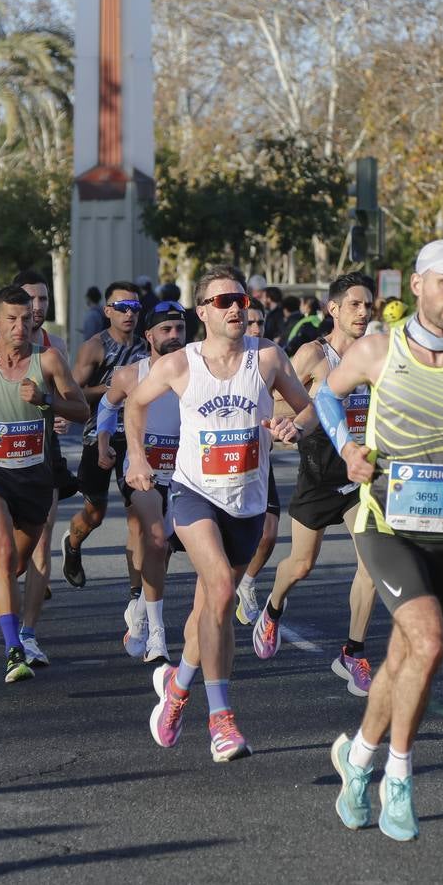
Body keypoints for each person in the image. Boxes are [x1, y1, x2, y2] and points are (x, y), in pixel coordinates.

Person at [320, 238, 443, 841]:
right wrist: (347, 447)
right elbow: (327, 392)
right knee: (429, 644)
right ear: (417, 285)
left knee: (408, 657)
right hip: (384, 524)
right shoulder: (379, 350)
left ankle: (357, 759)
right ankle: (398, 778)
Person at [127, 264, 308, 763]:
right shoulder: (179, 365)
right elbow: (134, 405)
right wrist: (137, 457)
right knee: (224, 592)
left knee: (210, 611)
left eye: (241, 300)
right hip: (194, 495)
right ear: (203, 311)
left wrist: (295, 427)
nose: (235, 308)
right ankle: (221, 721)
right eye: (224, 301)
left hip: (246, 502)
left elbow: (308, 408)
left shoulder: (267, 358)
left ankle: (177, 687)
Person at [0, 285, 89, 683]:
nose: (20, 326)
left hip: (36, 477)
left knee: (16, 564)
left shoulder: (49, 360)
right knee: (6, 554)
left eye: (26, 319)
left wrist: (46, 400)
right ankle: (13, 652)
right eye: (11, 319)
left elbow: (82, 409)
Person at [251, 271, 379, 696]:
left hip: (360, 475)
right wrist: (293, 421)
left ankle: (353, 653)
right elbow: (273, 401)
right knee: (302, 565)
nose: (363, 312)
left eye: (368, 305)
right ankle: (272, 608)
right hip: (319, 472)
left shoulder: (377, 355)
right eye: (355, 305)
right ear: (333, 309)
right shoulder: (313, 354)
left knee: (373, 563)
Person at [0, 270, 79, 666]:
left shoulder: (56, 347)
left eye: (43, 300)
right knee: (5, 552)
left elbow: (71, 401)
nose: (36, 309)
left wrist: (53, 409)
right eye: (29, 300)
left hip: (41, 455)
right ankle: (13, 639)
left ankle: (24, 630)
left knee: (35, 546)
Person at [103, 301, 188, 664]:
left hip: (183, 474)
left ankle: (139, 611)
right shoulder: (130, 375)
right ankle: (157, 634)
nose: (174, 336)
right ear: (149, 335)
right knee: (154, 538)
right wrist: (103, 442)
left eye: (179, 329)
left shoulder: (196, 372)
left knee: (162, 549)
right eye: (166, 330)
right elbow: (107, 406)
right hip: (141, 471)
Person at [60, 282, 149, 591]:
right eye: (122, 307)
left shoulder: (146, 347)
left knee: (138, 517)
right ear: (108, 311)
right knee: (95, 513)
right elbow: (72, 392)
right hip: (97, 435)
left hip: (135, 438)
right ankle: (72, 544)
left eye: (135, 308)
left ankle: (136, 595)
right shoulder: (95, 347)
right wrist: (113, 388)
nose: (129, 314)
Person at [234, 306, 286, 627]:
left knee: (268, 534)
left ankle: (247, 583)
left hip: (258, 460)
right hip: (219, 464)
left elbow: (296, 400)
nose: (255, 328)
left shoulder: (270, 357)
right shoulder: (214, 359)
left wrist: (285, 422)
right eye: (249, 322)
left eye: (260, 322)